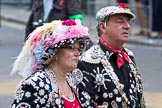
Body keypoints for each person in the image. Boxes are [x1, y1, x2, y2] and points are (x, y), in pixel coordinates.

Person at [75, 3, 146, 108]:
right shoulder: (87, 61)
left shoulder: (128, 56)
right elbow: (84, 103)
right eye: (120, 21)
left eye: (128, 22)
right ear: (103, 27)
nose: (127, 26)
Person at [11, 19, 89, 108]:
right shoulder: (35, 84)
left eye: (79, 48)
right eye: (71, 48)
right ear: (55, 52)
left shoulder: (72, 81)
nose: (77, 53)